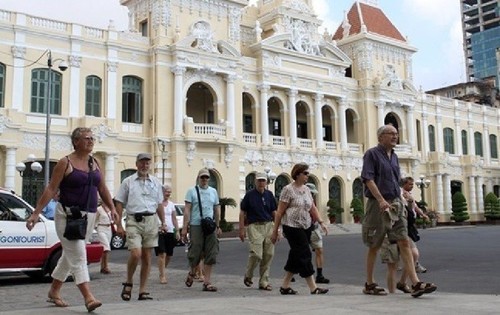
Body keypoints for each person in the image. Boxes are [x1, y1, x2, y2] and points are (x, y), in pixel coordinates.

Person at [25, 127, 117, 312]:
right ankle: (88, 297)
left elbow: (102, 187)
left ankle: (54, 291)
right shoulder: (65, 163)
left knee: (70, 255)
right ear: (75, 142)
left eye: (92, 138)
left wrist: (112, 208)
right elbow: (51, 189)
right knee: (79, 255)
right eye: (86, 138)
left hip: (89, 216)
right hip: (67, 216)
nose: (91, 141)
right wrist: (36, 213)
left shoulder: (95, 162)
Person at [360, 124, 436, 298]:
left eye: (396, 133)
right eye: (391, 133)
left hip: (395, 203)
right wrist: (380, 200)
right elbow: (368, 179)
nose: (395, 136)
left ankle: (415, 282)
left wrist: (403, 197)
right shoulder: (372, 154)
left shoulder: (394, 156)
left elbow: (395, 181)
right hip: (377, 203)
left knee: (403, 241)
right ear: (380, 137)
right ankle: (369, 283)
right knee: (375, 244)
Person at [270, 162, 329, 295]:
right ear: (297, 174)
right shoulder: (288, 189)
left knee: (296, 255)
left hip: (306, 226)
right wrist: (276, 230)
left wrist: (321, 221)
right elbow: (279, 212)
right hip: (291, 226)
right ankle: (313, 287)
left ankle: (285, 286)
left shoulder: (307, 189)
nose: (308, 176)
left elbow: (312, 207)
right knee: (304, 253)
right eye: (305, 173)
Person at [115, 153, 166, 301]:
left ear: (150, 165)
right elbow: (119, 202)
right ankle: (129, 281)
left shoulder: (156, 182)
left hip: (151, 220)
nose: (145, 166)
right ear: (137, 164)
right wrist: (118, 224)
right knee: (135, 253)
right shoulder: (128, 182)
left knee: (147, 257)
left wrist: (163, 222)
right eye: (142, 163)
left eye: (147, 163)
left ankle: (142, 290)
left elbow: (159, 204)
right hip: (133, 220)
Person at [181, 168, 221, 292]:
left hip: (210, 225)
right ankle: (192, 272)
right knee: (195, 251)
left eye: (206, 177)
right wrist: (184, 227)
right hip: (196, 224)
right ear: (198, 178)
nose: (204, 180)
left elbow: (217, 209)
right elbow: (187, 210)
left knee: (211, 252)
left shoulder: (213, 191)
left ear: (209, 179)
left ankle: (207, 282)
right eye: (202, 177)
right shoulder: (191, 191)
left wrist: (218, 225)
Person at [239, 171, 277, 291]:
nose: (261, 183)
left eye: (263, 180)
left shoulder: (269, 195)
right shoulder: (249, 195)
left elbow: (274, 212)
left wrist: (277, 228)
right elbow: (242, 212)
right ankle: (249, 275)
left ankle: (264, 281)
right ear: (255, 181)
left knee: (269, 254)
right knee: (256, 254)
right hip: (254, 226)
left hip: (268, 225)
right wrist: (241, 229)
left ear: (266, 182)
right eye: (259, 180)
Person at [401, 177, 429, 274]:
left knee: (406, 246)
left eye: (412, 184)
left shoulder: (409, 195)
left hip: (410, 223)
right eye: (410, 184)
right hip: (404, 224)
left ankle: (410, 265)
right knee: (412, 250)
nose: (412, 186)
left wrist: (423, 215)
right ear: (404, 184)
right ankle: (413, 266)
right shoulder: (401, 195)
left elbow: (415, 207)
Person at [305, 183, 330, 284]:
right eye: (311, 193)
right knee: (299, 252)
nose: (312, 195)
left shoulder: (313, 202)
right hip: (303, 229)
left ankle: (319, 275)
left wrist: (322, 223)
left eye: (313, 193)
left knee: (319, 250)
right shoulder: (300, 201)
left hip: (314, 229)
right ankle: (291, 273)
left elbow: (315, 213)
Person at [155, 184, 180, 284]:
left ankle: (162, 269)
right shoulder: (157, 203)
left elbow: (174, 218)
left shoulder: (171, 204)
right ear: (162, 192)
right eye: (166, 191)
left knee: (169, 254)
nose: (168, 194)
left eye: (169, 192)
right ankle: (162, 275)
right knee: (162, 253)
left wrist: (177, 230)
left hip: (170, 230)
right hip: (159, 230)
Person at [95, 199, 113, 274]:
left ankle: (102, 267)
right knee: (106, 248)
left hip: (108, 228)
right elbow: (94, 220)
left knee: (104, 249)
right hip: (101, 228)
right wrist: (95, 229)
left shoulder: (111, 209)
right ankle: (106, 266)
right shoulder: (98, 209)